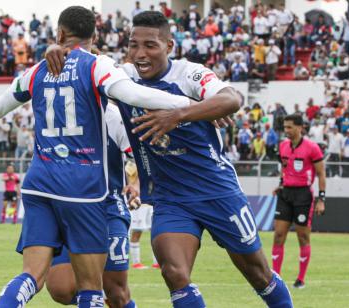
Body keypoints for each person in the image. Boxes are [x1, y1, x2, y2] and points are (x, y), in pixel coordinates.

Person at [45, 10, 293, 308]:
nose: (140, 53)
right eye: (134, 45)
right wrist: (55, 49)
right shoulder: (122, 77)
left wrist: (179, 114)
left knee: (258, 274)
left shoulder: (188, 73)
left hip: (217, 191)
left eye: (150, 45)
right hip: (170, 199)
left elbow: (232, 99)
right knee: (174, 273)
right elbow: (86, 59)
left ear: (169, 47)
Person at [0, 6, 191, 307]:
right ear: (95, 35)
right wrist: (193, 106)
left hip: (39, 184)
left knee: (31, 277)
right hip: (83, 189)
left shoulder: (36, 70)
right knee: (89, 289)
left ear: (60, 34)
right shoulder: (95, 66)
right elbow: (134, 94)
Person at [45, 103, 138, 307]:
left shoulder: (114, 115)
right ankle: (94, 294)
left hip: (108, 208)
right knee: (61, 288)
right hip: (68, 209)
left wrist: (135, 183)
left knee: (117, 292)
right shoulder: (57, 109)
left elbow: (137, 156)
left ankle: (98, 294)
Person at [272, 114, 326, 289]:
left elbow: (321, 174)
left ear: (300, 127)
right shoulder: (283, 146)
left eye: (289, 127)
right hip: (286, 194)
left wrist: (321, 199)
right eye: (285, 127)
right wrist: (280, 184)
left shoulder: (312, 148)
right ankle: (276, 280)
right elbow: (284, 168)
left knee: (303, 237)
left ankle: (300, 279)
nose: (286, 131)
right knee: (279, 235)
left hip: (303, 195)